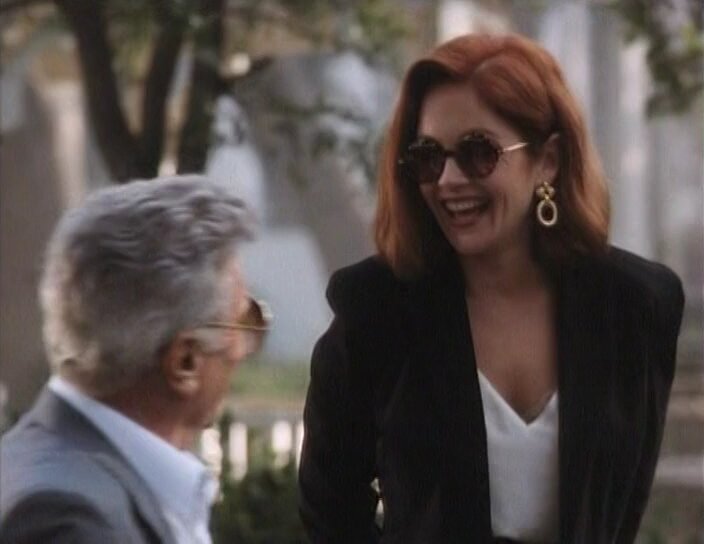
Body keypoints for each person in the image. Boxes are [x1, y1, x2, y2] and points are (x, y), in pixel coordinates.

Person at [298, 33, 684, 543]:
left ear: (547, 160)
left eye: (478, 153)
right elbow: (329, 507)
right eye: (429, 156)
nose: (447, 180)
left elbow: (621, 506)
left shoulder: (636, 307)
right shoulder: (376, 308)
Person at [0, 175, 271, 543]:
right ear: (185, 362)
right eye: (243, 321)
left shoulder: (54, 473)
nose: (242, 350)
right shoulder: (69, 519)